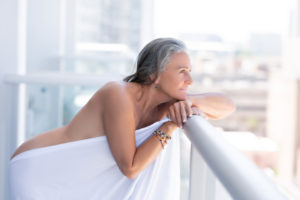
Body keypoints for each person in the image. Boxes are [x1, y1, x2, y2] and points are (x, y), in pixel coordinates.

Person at [9, 38, 235, 200]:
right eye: (182, 71)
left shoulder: (168, 103)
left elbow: (227, 105)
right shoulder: (118, 94)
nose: (190, 80)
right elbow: (131, 167)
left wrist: (190, 102)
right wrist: (170, 126)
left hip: (81, 179)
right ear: (153, 74)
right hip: (43, 169)